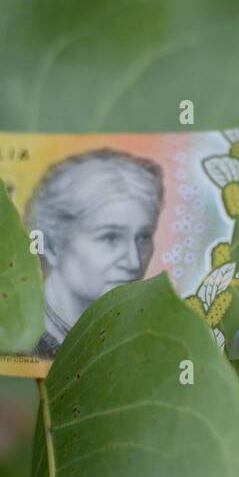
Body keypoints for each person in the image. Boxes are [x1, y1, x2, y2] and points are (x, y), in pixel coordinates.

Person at [25, 149, 163, 358]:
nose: (134, 262)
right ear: (52, 245)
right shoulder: (19, 343)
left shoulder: (149, 339)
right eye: (110, 237)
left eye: (143, 237)